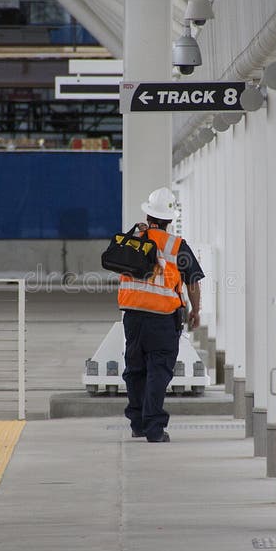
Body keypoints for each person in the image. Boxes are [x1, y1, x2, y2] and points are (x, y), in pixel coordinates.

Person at [118, 186, 204, 442]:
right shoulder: (177, 246)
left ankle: (137, 424)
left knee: (135, 370)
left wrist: (136, 234)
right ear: (169, 221)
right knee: (158, 370)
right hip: (163, 319)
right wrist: (195, 310)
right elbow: (193, 281)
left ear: (148, 217)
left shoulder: (133, 240)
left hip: (132, 316)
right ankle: (154, 427)